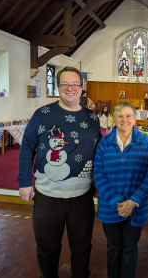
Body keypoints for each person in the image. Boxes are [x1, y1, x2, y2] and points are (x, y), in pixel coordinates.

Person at [18, 66, 102, 278]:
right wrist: (24, 181)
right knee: (47, 249)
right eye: (65, 84)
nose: (70, 88)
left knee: (82, 249)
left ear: (82, 88)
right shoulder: (42, 115)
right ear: (58, 87)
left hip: (82, 198)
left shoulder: (92, 118)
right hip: (48, 197)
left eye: (75, 84)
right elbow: (27, 147)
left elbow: (100, 152)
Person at [94, 102, 148, 278]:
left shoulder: (146, 142)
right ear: (113, 118)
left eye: (129, 115)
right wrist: (118, 202)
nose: (124, 120)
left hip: (135, 208)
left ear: (135, 118)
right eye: (120, 116)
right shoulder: (104, 143)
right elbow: (98, 174)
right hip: (110, 207)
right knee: (113, 249)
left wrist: (133, 201)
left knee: (129, 250)